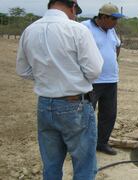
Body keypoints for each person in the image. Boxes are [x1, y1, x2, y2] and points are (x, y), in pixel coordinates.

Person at [16, 0, 104, 179]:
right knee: (84, 165)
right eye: (76, 11)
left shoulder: (30, 30)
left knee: (51, 165)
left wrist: (47, 77)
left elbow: (23, 70)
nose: (75, 15)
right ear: (72, 7)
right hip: (75, 105)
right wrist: (70, 78)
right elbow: (94, 71)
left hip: (45, 104)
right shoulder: (77, 30)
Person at [82, 3, 124, 155]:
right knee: (86, 115)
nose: (116, 22)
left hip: (111, 80)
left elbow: (118, 45)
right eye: (114, 19)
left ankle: (102, 143)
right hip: (91, 81)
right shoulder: (84, 27)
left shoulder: (111, 30)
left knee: (109, 114)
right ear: (103, 17)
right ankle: (83, 147)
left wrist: (113, 61)